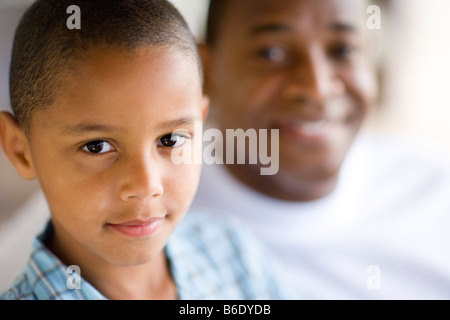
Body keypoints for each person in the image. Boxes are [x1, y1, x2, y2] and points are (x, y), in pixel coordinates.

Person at [0, 0, 290, 300]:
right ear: (20, 150)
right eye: (96, 146)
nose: (146, 185)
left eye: (171, 140)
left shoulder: (232, 252)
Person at [191, 0, 450, 299]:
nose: (318, 88)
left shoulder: (435, 192)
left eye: (343, 50)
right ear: (204, 69)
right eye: (271, 53)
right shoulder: (147, 217)